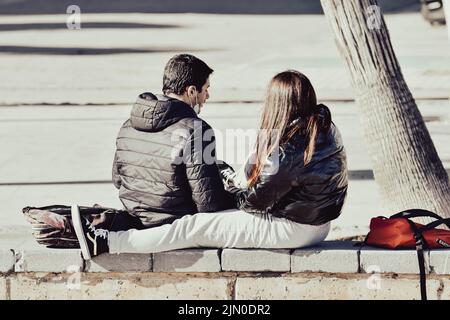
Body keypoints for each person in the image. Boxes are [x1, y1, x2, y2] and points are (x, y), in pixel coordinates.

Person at [72, 69, 348, 260]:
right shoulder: (322, 127)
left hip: (293, 229)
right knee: (242, 171)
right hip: (317, 222)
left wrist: (231, 193)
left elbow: (254, 204)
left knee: (194, 226)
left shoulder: (289, 150)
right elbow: (275, 181)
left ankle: (107, 242)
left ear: (278, 104)